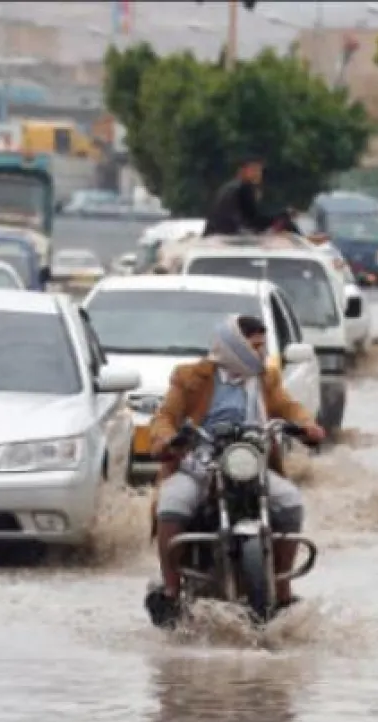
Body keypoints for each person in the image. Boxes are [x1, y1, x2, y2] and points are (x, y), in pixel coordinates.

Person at [144, 314, 327, 628]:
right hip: (200, 463)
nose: (261, 353)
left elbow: (288, 407)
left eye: (263, 346)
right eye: (255, 346)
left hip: (249, 462)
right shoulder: (190, 376)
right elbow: (165, 416)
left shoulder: (266, 379)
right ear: (233, 346)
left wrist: (306, 425)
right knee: (171, 505)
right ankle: (172, 590)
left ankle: (283, 591)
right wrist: (167, 438)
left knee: (291, 502)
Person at [203, 154, 277, 237]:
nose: (258, 174)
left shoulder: (231, 187)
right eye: (253, 170)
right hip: (225, 236)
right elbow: (252, 221)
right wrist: (276, 221)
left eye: (259, 170)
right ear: (241, 171)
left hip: (216, 234)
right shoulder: (243, 188)